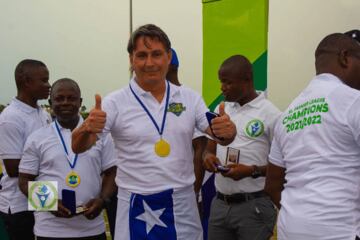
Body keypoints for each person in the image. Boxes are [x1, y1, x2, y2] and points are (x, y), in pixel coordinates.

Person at [71, 24, 237, 240]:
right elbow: (77, 145)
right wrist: (86, 128)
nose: (149, 63)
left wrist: (228, 131)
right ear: (131, 59)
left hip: (181, 205)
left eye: (157, 54)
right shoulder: (114, 102)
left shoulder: (189, 98)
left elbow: (220, 136)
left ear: (168, 57)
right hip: (135, 205)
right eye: (142, 55)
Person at [264, 32, 360, 240]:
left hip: (291, 227)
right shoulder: (353, 101)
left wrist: (306, 217)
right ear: (345, 57)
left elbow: (272, 185)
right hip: (340, 230)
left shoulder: (288, 113)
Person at [18, 78, 117, 239]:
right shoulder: (37, 138)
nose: (65, 103)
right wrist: (48, 203)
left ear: (80, 102)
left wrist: (102, 200)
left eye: (71, 98)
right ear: (51, 102)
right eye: (59, 98)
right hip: (50, 230)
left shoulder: (101, 136)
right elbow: (24, 180)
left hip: (92, 229)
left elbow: (112, 172)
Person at [203, 55, 280, 240]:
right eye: (221, 82)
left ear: (247, 79)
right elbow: (208, 149)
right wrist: (208, 158)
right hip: (220, 204)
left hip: (254, 207)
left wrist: (251, 171)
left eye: (227, 82)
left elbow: (284, 167)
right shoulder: (222, 108)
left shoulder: (272, 115)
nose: (222, 88)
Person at [0, 59, 51, 240]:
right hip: (19, 205)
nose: (49, 85)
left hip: (42, 195)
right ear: (27, 82)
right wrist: (53, 164)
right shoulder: (11, 117)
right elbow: (14, 168)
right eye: (43, 80)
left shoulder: (44, 114)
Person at [166, 48, 207, 202]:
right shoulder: (154, 100)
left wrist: (194, 192)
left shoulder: (189, 98)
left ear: (170, 65)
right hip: (159, 190)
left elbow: (200, 149)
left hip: (184, 193)